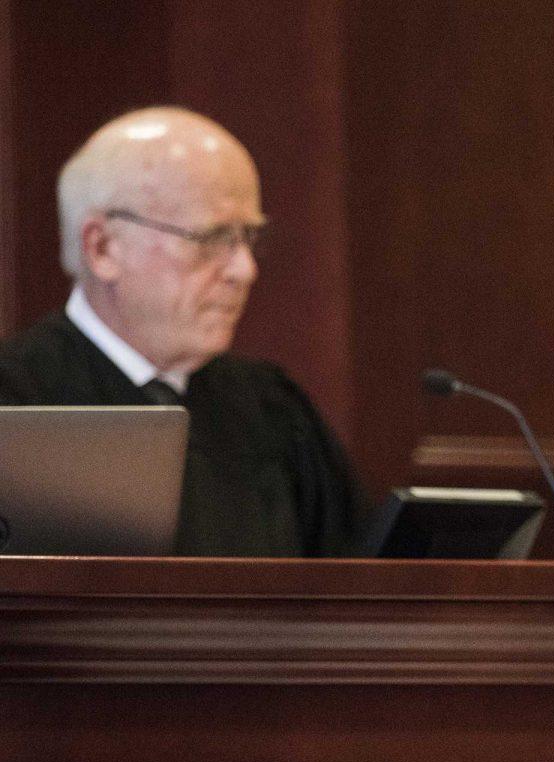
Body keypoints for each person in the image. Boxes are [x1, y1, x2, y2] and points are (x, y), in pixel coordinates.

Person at [0, 107, 367, 557]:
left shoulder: (273, 411)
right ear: (102, 248)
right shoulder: (15, 401)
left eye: (248, 238)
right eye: (212, 239)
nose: (244, 269)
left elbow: (356, 593)